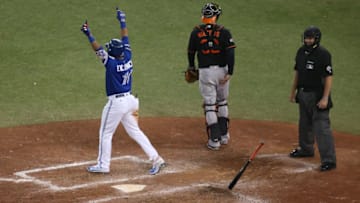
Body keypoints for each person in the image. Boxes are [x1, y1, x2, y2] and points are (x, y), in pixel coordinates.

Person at [80, 8, 165, 175]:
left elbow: (97, 49)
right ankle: (156, 159)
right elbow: (125, 37)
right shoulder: (127, 55)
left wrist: (88, 34)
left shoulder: (110, 64)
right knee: (135, 131)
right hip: (131, 102)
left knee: (105, 133)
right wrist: (122, 21)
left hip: (117, 103)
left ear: (111, 52)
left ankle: (103, 165)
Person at [187, 2, 236, 150]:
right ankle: (224, 136)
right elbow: (230, 53)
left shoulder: (196, 32)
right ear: (217, 16)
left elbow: (191, 52)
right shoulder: (224, 32)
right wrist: (230, 72)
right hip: (222, 71)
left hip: (205, 72)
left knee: (209, 105)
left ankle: (214, 141)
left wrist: (191, 66)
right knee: (222, 102)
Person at [289, 26, 336, 171]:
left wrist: (325, 98)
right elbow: (298, 73)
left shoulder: (323, 54)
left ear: (317, 39)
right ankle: (306, 149)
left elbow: (328, 77)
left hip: (317, 95)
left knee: (321, 127)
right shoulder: (301, 52)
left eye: (310, 38)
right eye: (306, 38)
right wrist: (293, 92)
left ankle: (329, 160)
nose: (308, 40)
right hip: (303, 93)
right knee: (304, 124)